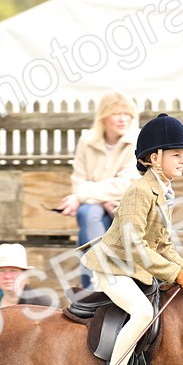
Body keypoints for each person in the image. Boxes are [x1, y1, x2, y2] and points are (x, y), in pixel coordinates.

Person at [81, 113, 183, 365]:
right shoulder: (139, 191)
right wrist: (174, 273)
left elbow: (162, 244)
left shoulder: (163, 192)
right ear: (154, 158)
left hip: (135, 269)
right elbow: (136, 247)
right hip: (114, 268)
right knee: (144, 313)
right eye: (177, 154)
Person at [57, 93, 140, 288]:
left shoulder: (137, 140)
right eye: (116, 113)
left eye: (127, 113)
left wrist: (86, 194)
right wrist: (101, 199)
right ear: (103, 117)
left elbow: (127, 183)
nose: (123, 119)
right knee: (89, 213)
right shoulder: (87, 140)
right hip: (98, 208)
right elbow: (78, 181)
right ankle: (97, 279)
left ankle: (94, 280)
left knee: (88, 215)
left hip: (123, 209)